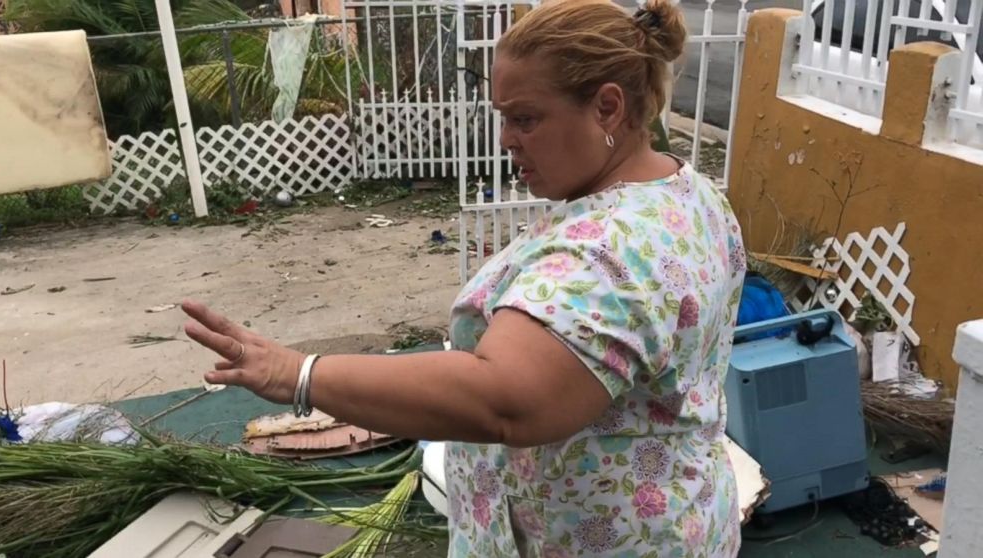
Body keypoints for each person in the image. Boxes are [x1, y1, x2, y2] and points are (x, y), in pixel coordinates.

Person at [182, 0, 746, 555]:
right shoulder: (687, 192)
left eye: (524, 118)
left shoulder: (614, 250)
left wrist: (298, 373)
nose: (506, 140)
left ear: (606, 107)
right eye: (504, 116)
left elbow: (505, 399)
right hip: (679, 512)